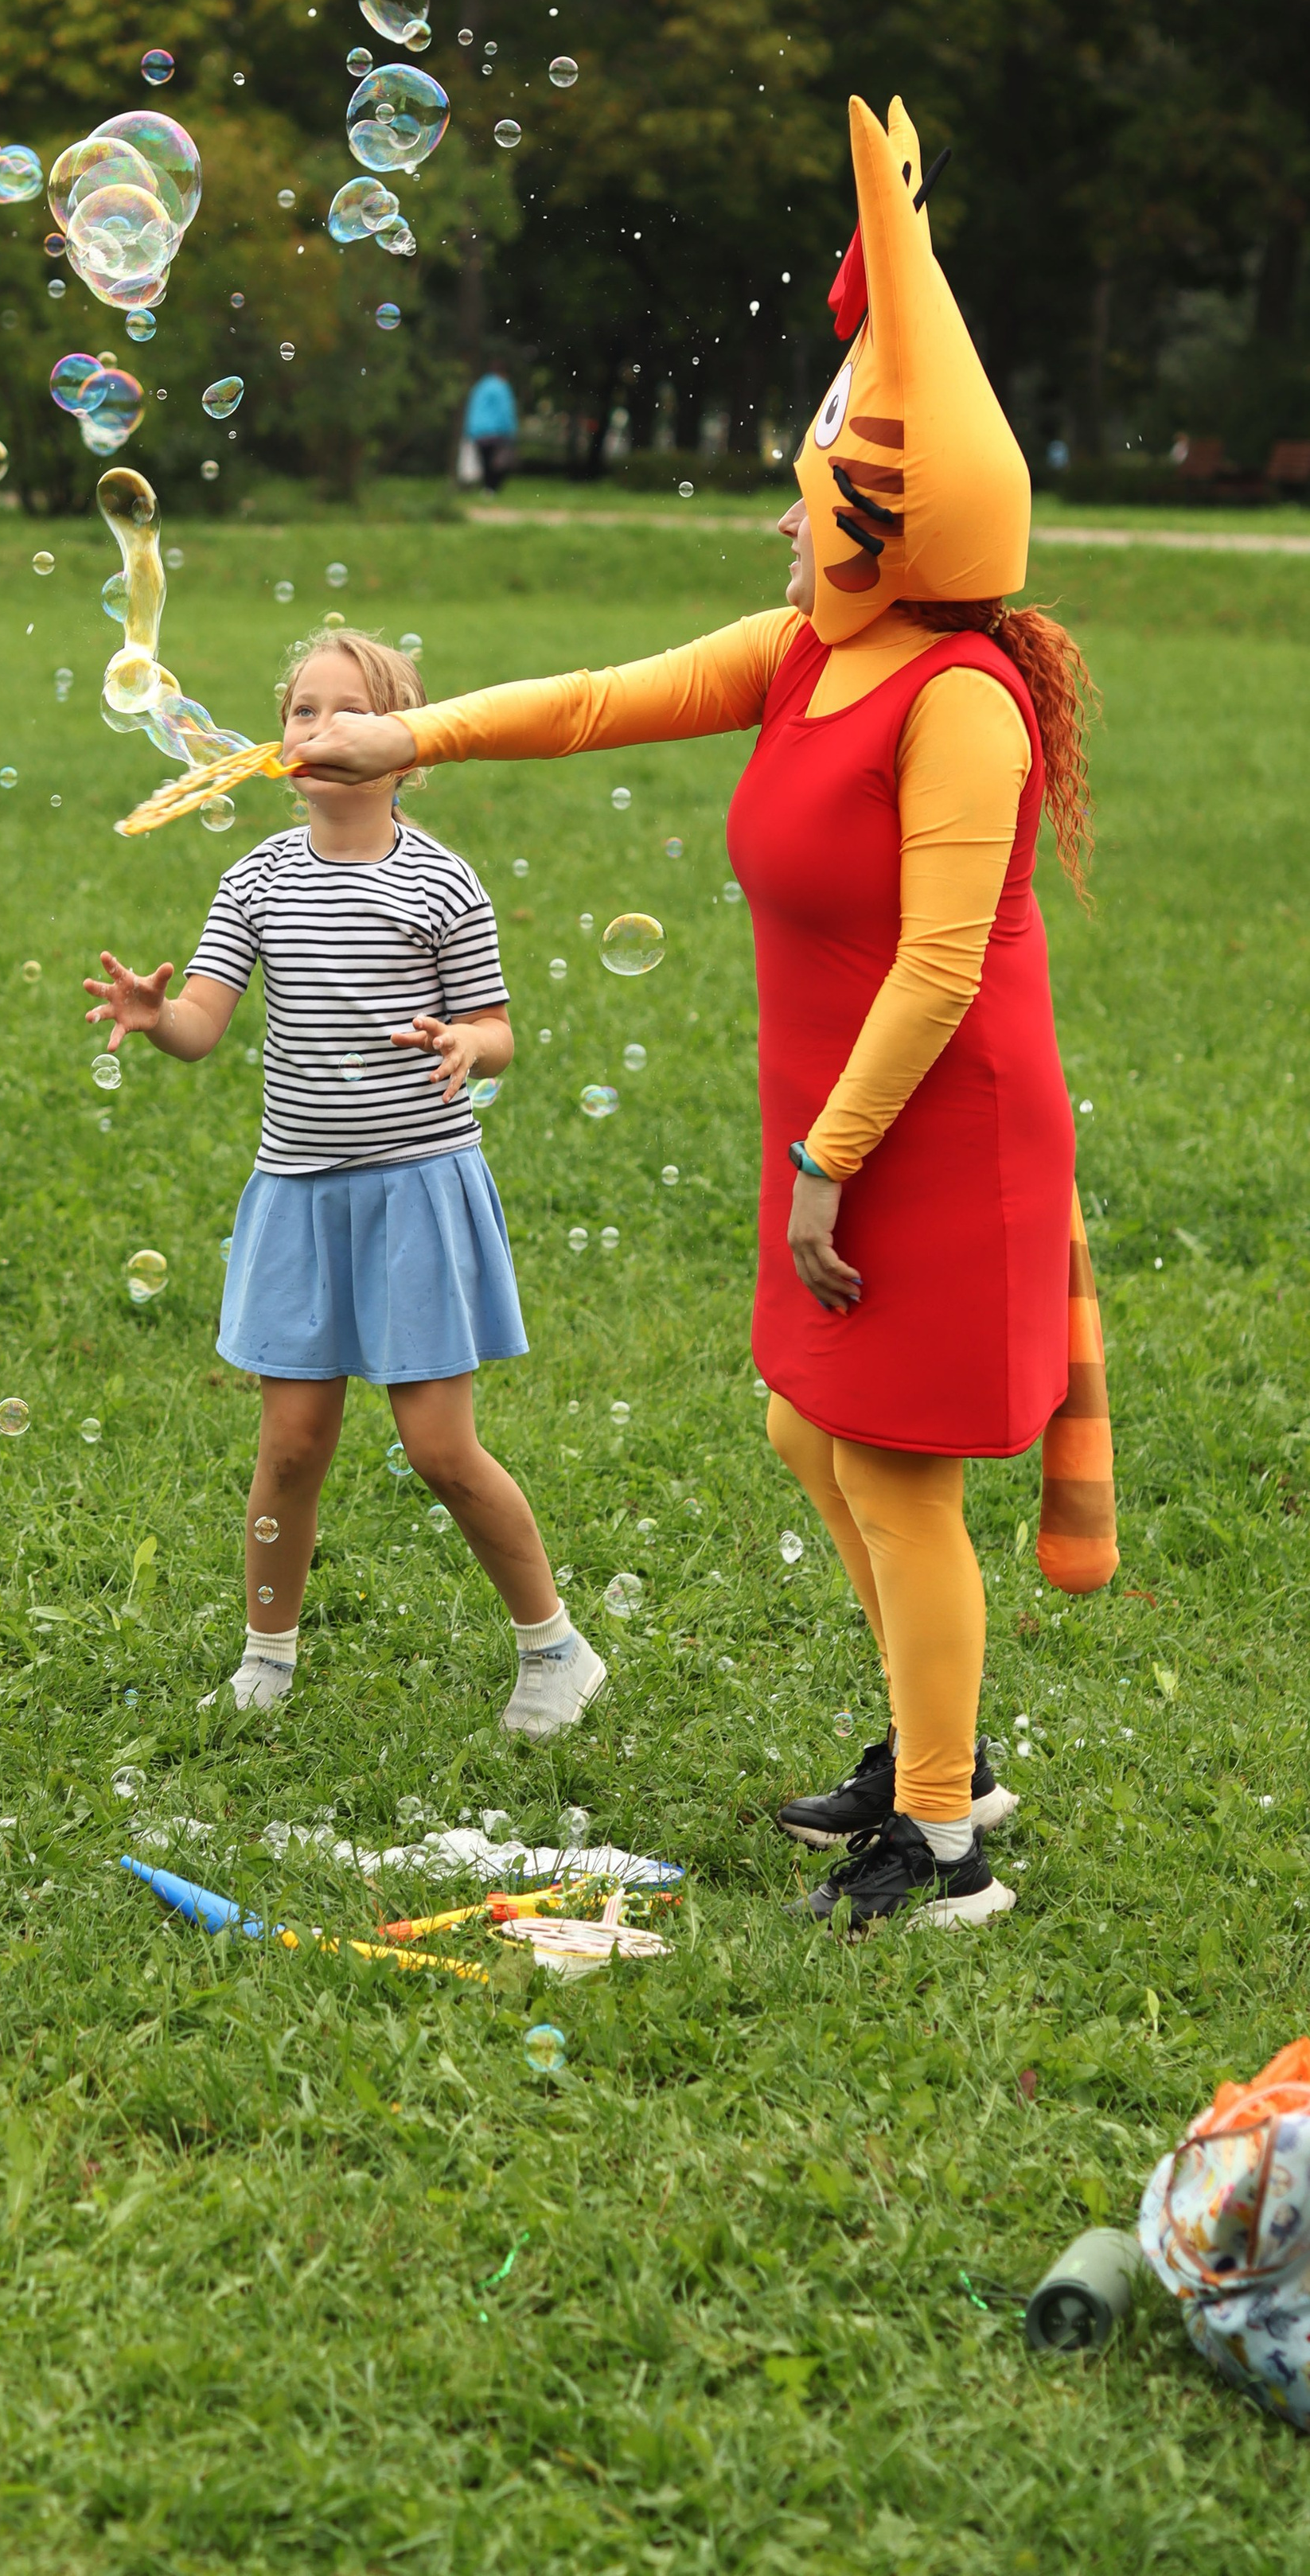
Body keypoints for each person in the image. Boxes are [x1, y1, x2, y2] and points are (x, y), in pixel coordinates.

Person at [295, 98, 1119, 1929]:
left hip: (926, 1129)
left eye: (813, 489)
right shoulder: (809, 655)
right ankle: (936, 1750)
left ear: (883, 523)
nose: (783, 508)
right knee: (804, 1434)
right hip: (834, 1128)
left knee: (891, 1468)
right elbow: (595, 698)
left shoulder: (954, 699)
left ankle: (946, 1841)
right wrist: (398, 733)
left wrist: (827, 1166)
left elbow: (939, 966)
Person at [84, 626, 607, 1739]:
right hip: (301, 1192)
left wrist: (471, 1047)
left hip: (418, 1187)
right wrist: (153, 1015)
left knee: (440, 1450)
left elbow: (498, 1029)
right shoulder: (257, 879)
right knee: (289, 1447)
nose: (316, 731)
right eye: (299, 712)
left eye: (345, 712)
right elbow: (204, 1023)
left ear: (405, 750)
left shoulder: (440, 882)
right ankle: (267, 1657)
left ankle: (556, 1649)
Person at [462, 362, 520, 493]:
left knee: (485, 461)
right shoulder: (501, 386)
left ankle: (487, 489)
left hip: (478, 431)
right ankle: (492, 489)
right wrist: (511, 430)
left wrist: (470, 430)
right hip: (496, 431)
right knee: (498, 463)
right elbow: (506, 410)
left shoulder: (480, 386)